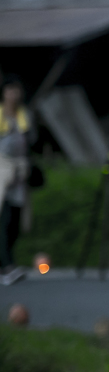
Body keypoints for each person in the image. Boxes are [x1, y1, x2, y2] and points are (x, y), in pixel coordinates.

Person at [0, 75, 33, 287]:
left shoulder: (24, 115)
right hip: (2, 169)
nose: (14, 94)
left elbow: (31, 141)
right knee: (3, 218)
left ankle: (8, 261)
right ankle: (7, 266)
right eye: (10, 90)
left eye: (16, 90)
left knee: (16, 222)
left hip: (19, 171)